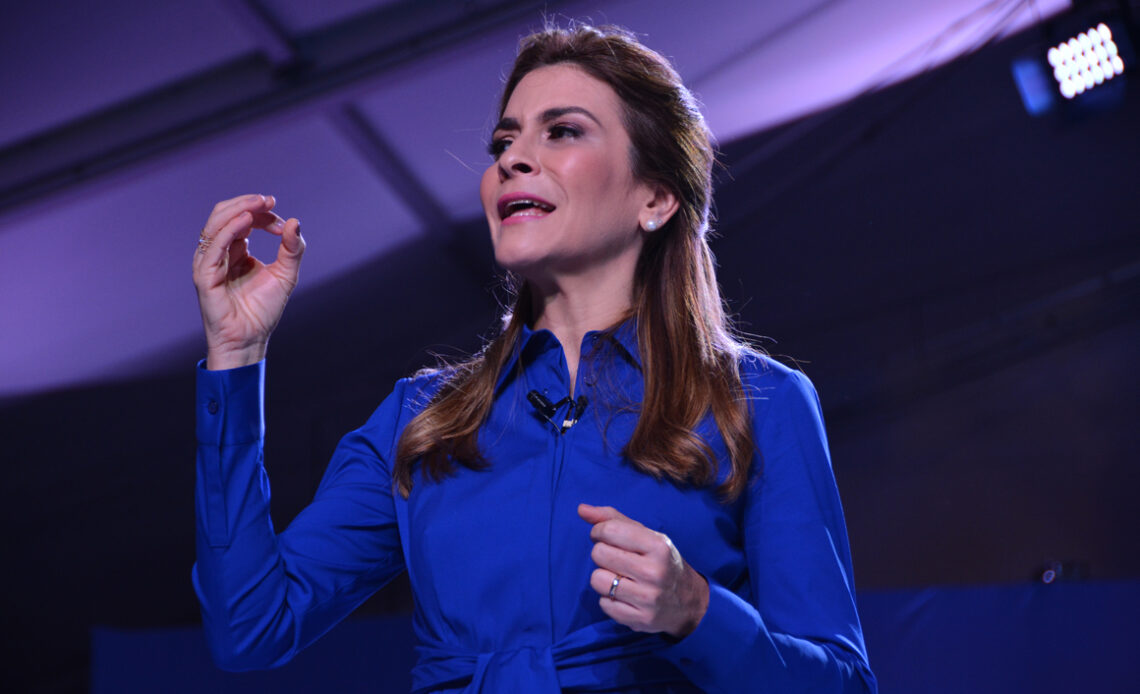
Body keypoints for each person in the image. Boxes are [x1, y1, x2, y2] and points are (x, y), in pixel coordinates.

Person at [191, 23, 877, 694]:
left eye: (564, 130)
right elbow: (251, 629)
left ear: (658, 197)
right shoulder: (421, 420)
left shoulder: (759, 403)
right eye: (504, 140)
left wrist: (697, 613)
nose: (513, 159)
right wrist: (235, 352)